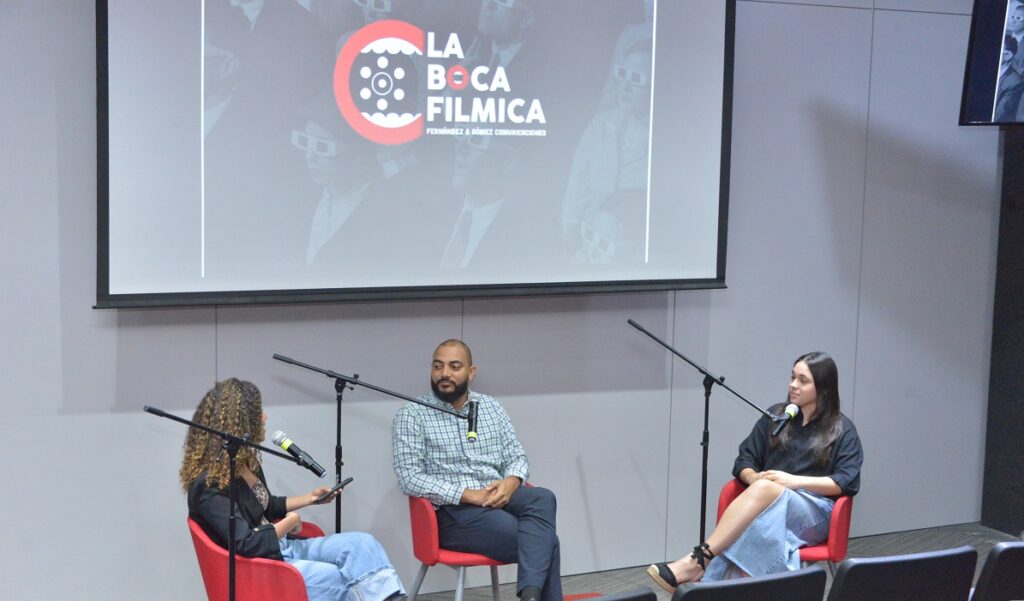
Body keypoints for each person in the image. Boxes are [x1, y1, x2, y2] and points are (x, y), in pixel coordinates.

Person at [647, 352, 864, 590]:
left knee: (757, 509)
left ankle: (701, 564)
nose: (793, 385)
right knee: (760, 524)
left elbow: (845, 482)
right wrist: (755, 478)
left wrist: (792, 482)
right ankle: (724, 585)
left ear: (822, 387)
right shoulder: (777, 416)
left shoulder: (842, 429)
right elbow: (744, 459)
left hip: (817, 511)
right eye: (792, 377)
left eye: (803, 380)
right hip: (768, 505)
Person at [181, 378, 405, 601]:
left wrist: (310, 499)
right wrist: (291, 522)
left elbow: (266, 504)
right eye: (258, 412)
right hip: (264, 564)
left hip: (284, 546)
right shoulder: (209, 485)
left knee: (363, 545)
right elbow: (247, 543)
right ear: (240, 423)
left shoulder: (247, 463)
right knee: (339, 578)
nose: (265, 417)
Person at [392, 339, 562, 601]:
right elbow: (409, 478)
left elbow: (517, 456)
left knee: (543, 498)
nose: (444, 374)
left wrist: (512, 482)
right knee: (544, 540)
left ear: (471, 372)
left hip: (497, 495)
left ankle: (530, 597)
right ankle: (531, 597)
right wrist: (469, 495)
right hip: (453, 512)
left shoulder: (491, 407)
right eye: (438, 367)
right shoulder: (413, 413)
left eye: (454, 366)